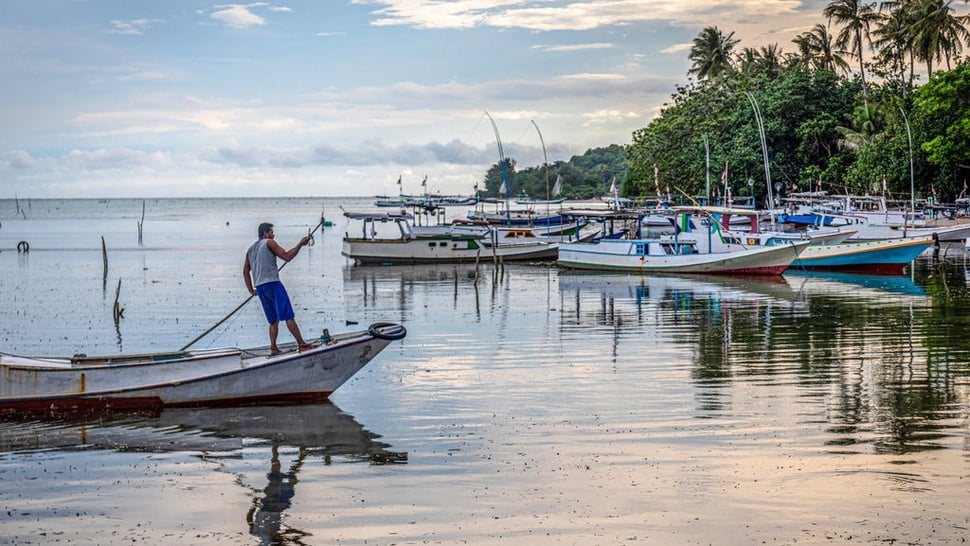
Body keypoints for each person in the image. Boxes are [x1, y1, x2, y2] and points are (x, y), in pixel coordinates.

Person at [243, 222, 317, 354]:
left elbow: (245, 271)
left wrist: (251, 290)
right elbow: (287, 256)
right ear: (265, 234)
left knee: (273, 320)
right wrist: (300, 244)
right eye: (271, 232)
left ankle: (273, 348)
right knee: (288, 315)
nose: (273, 235)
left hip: (260, 288)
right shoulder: (269, 243)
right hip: (273, 284)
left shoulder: (251, 249)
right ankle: (302, 344)